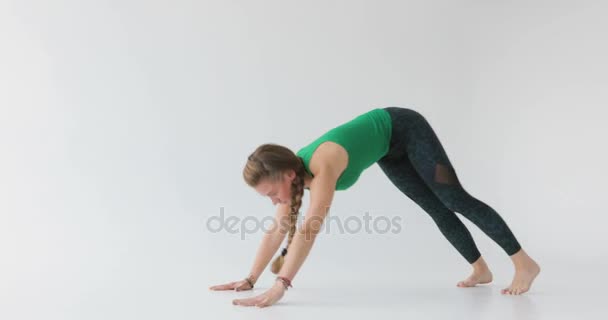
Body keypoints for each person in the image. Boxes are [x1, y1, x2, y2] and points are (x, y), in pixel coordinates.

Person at [209, 106, 540, 307]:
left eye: (271, 193)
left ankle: (523, 263)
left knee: (453, 198)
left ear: (290, 175)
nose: (273, 201)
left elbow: (309, 229)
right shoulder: (291, 182)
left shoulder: (322, 164)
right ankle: (481, 270)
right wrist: (250, 278)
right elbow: (276, 231)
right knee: (435, 208)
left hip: (406, 128)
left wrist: (281, 286)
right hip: (388, 151)